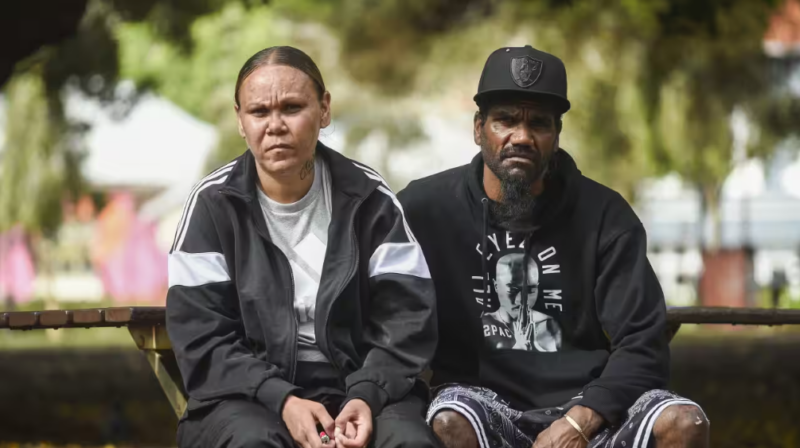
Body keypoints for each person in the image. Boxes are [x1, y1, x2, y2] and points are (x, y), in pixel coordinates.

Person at [398, 46, 710, 448]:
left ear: (556, 135)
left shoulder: (605, 216)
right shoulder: (425, 209)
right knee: (449, 418)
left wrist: (582, 420)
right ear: (479, 128)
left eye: (539, 124)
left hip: (590, 404)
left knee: (685, 422)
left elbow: (643, 343)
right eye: (506, 120)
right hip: (482, 406)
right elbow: (384, 316)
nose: (522, 137)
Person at [166, 46, 440, 448]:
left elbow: (407, 321)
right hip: (247, 394)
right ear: (241, 121)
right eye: (259, 112)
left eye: (292, 107)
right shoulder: (213, 206)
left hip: (361, 387)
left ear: (324, 110)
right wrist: (282, 398)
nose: (275, 126)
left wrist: (366, 395)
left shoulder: (370, 200)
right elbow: (202, 337)